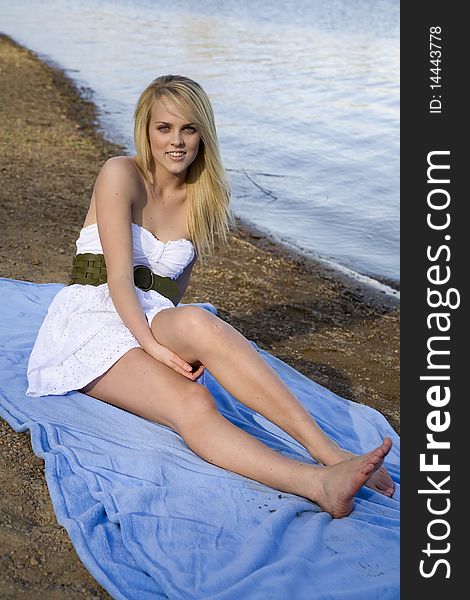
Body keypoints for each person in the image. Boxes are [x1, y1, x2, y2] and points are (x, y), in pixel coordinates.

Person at [26, 74, 394, 519]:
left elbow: (168, 297)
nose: (177, 142)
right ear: (146, 130)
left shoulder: (203, 200)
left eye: (189, 128)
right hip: (91, 318)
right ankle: (318, 483)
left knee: (199, 322)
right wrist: (156, 352)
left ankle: (330, 453)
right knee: (195, 401)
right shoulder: (119, 174)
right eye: (164, 128)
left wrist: (185, 344)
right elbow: (121, 280)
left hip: (150, 315)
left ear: (204, 133)